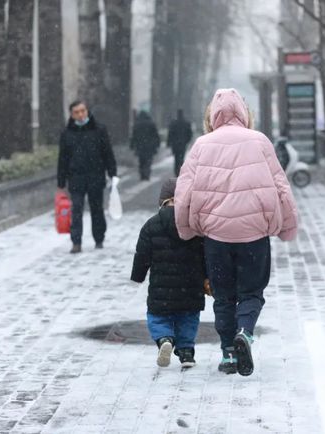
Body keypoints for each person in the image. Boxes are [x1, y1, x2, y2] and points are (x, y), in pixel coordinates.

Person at [174, 88, 298, 376]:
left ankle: (229, 353)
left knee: (223, 296)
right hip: (255, 234)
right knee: (252, 292)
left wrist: (185, 228)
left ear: (212, 115)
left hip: (216, 236)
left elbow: (184, 191)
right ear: (244, 112)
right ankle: (245, 331)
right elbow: (281, 185)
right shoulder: (260, 142)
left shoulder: (201, 145)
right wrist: (288, 226)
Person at [130, 178, 208, 369]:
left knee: (157, 317)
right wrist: (209, 277)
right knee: (188, 318)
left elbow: (142, 254)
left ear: (163, 201)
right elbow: (206, 254)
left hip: (161, 288)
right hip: (191, 287)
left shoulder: (151, 225)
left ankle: (164, 338)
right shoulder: (194, 225)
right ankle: (186, 351)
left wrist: (138, 275)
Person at [57, 100, 118, 254]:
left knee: (96, 209)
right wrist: (61, 180)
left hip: (95, 176)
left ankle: (99, 238)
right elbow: (63, 158)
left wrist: (112, 172)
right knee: (76, 210)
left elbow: (107, 153)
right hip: (76, 178)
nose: (80, 114)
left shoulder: (99, 130)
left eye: (83, 111)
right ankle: (76, 242)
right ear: (72, 114)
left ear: (87, 111)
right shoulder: (67, 133)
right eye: (76, 112)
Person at [131, 111, 160, 181]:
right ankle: (147, 173)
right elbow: (156, 135)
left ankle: (142, 173)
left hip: (140, 146)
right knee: (148, 161)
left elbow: (134, 136)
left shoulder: (137, 124)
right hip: (149, 146)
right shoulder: (151, 124)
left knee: (141, 161)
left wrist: (132, 145)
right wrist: (157, 144)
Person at [167, 109, 193, 176]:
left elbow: (170, 134)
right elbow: (189, 134)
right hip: (182, 144)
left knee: (176, 159)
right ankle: (180, 171)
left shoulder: (173, 123)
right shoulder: (186, 123)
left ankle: (176, 172)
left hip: (175, 144)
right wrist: (186, 141)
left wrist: (169, 142)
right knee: (181, 158)